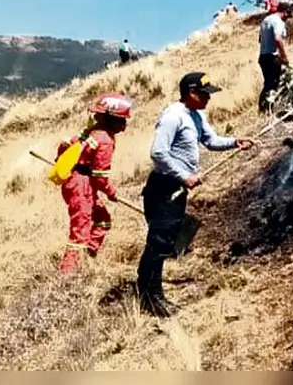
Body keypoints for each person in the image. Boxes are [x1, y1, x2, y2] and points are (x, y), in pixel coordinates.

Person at [136, 72, 253, 317]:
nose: (208, 99)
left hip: (177, 187)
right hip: (165, 186)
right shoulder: (173, 117)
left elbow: (210, 141)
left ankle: (150, 290)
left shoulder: (197, 116)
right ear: (191, 93)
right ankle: (150, 296)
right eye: (204, 94)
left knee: (166, 238)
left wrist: (234, 142)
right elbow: (158, 153)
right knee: (159, 241)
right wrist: (183, 176)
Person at [56, 93, 133, 273]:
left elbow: (65, 145)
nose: (124, 125)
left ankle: (88, 257)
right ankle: (68, 274)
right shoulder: (105, 141)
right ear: (110, 119)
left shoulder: (91, 131)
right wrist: (111, 193)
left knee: (102, 220)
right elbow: (100, 177)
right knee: (80, 231)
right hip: (81, 186)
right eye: (121, 120)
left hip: (75, 182)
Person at [258, 0, 291, 112]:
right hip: (272, 57)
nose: (287, 19)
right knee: (273, 84)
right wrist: (283, 56)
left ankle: (262, 108)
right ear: (285, 12)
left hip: (262, 57)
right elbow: (278, 38)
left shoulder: (266, 20)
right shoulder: (278, 22)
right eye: (288, 15)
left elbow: (260, 39)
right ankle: (268, 109)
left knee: (268, 83)